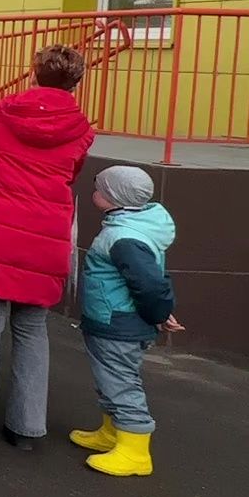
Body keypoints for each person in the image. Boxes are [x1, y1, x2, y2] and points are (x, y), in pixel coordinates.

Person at [0, 44, 95, 452]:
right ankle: (25, 428)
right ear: (76, 82)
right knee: (31, 330)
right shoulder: (82, 127)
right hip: (45, 233)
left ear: (34, 73)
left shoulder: (4, 110)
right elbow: (71, 170)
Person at [69, 166, 180, 478]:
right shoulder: (131, 225)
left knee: (120, 383)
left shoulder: (123, 238)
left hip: (119, 323)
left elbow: (149, 283)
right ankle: (113, 431)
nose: (94, 191)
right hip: (113, 320)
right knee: (109, 379)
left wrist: (160, 313)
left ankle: (135, 451)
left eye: (100, 188)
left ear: (114, 198)